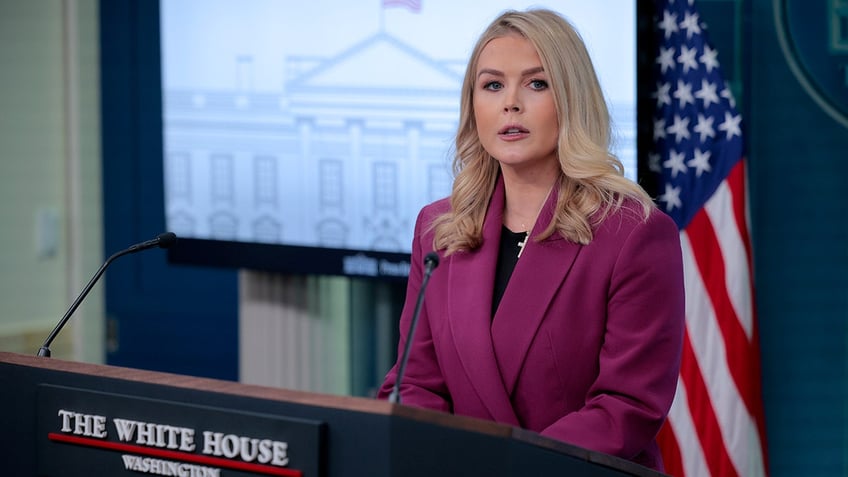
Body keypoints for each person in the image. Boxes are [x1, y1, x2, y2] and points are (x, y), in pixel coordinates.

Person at [377, 8, 684, 472]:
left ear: (572, 100)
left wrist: (503, 465)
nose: (511, 104)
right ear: (473, 104)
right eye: (492, 85)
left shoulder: (635, 233)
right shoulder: (439, 229)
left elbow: (625, 408)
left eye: (537, 84)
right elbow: (416, 385)